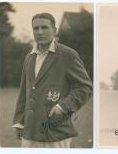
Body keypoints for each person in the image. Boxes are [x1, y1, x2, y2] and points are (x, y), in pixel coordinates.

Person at [12, 13, 92, 148]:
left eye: (44, 27)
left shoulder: (67, 54)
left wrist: (63, 107)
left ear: (54, 30)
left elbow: (85, 87)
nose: (40, 32)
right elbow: (23, 93)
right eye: (36, 28)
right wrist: (19, 121)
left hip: (56, 131)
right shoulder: (29, 57)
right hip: (29, 132)